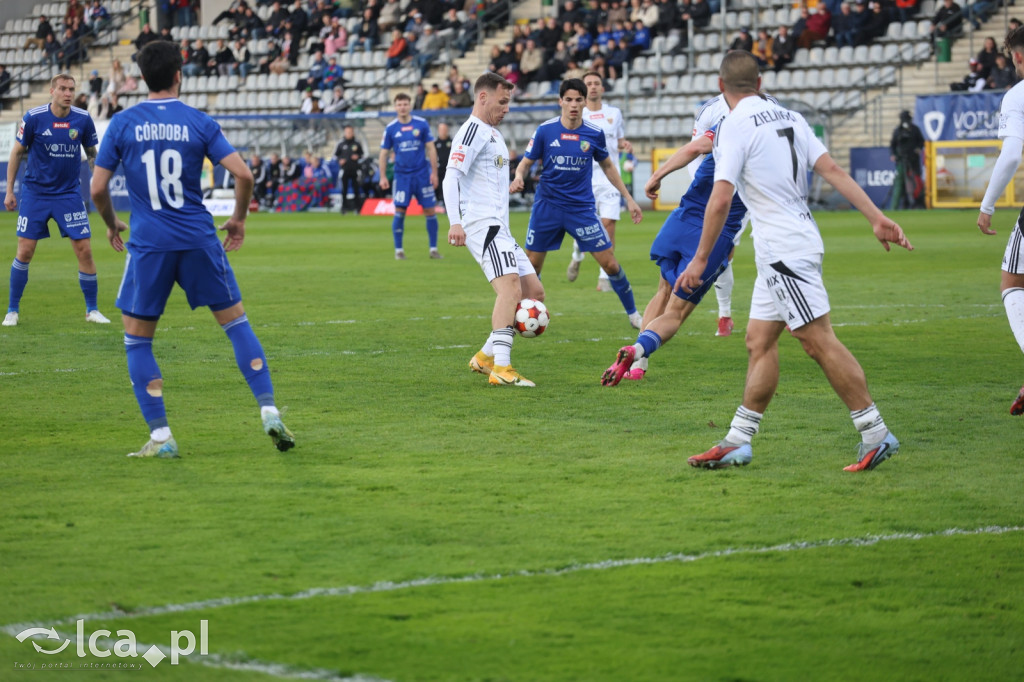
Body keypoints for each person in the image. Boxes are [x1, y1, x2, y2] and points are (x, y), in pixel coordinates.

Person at [675, 51, 913, 471]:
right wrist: (875, 217)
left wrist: (699, 260)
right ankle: (738, 439)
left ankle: (875, 432)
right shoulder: (789, 117)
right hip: (791, 243)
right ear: (760, 83)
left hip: (783, 250)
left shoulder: (732, 125)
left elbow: (721, 196)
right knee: (758, 341)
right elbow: (833, 169)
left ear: (720, 86)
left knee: (817, 339)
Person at [89, 40, 295, 458]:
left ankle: (162, 437)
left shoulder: (123, 123)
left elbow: (96, 188)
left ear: (142, 78)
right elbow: (244, 174)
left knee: (138, 341)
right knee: (237, 325)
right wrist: (237, 220)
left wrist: (112, 224)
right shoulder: (199, 121)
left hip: (149, 244)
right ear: (179, 75)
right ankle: (269, 409)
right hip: (199, 238)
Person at [601, 96, 750, 386]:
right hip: (713, 231)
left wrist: (656, 176)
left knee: (663, 288)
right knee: (677, 312)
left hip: (681, 220)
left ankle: (638, 365)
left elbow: (694, 148)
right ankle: (637, 350)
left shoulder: (722, 127)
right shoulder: (764, 139)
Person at [511, 78, 643, 329]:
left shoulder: (594, 133)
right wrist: (518, 176)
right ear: (560, 101)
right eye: (568, 99)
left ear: (585, 102)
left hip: (581, 209)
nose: (573, 104)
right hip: (547, 207)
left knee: (610, 263)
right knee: (532, 266)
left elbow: (608, 166)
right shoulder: (545, 130)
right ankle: (519, 315)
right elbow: (526, 162)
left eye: (578, 100)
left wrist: (628, 198)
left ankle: (634, 314)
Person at [445, 72, 545, 387]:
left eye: (509, 103)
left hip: (500, 227)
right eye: (502, 102)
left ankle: (486, 356)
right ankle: (502, 369)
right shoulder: (471, 131)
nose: (506, 109)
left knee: (533, 292)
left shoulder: (493, 133)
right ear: (483, 97)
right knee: (510, 290)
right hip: (482, 225)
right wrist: (455, 222)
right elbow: (451, 177)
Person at [4, 74, 108, 328]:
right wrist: (9, 191)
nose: (67, 93)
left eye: (71, 89)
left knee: (84, 250)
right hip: (35, 194)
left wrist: (98, 181)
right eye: (62, 88)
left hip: (69, 195)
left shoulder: (82, 120)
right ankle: (12, 311)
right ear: (52, 91)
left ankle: (92, 310)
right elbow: (17, 153)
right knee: (25, 251)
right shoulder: (33, 118)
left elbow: (93, 154)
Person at [976, 26, 1024, 417]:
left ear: (1018, 57)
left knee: (1012, 282)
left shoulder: (1017, 95)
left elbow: (1010, 156)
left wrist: (988, 204)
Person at [567, 72, 634, 297]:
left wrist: (626, 145)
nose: (593, 87)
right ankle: (577, 253)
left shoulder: (614, 113)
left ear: (602, 88)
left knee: (608, 225)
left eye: (597, 83)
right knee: (584, 227)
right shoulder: (578, 114)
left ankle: (604, 276)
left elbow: (619, 139)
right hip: (583, 179)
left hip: (609, 179)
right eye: (589, 84)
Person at [378, 92, 442, 259]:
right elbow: (383, 153)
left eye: (405, 104)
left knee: (429, 209)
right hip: (402, 177)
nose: (402, 107)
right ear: (395, 107)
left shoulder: (421, 124)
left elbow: (431, 149)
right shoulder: (391, 128)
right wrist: (383, 176)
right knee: (400, 210)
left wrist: (434, 173)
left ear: (410, 105)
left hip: (422, 174)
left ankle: (433, 249)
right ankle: (399, 250)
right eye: (399, 105)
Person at [889, 110, 925, 210]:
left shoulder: (915, 130)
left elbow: (921, 142)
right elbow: (892, 145)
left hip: (913, 161)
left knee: (915, 183)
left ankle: (917, 205)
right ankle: (894, 207)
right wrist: (893, 154)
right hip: (901, 161)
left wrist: (918, 148)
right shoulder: (898, 131)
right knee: (899, 184)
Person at [334, 124, 364, 213]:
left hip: (355, 170)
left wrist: (357, 156)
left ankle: (358, 208)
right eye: (347, 132)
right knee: (344, 189)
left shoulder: (357, 143)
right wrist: (340, 160)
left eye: (350, 132)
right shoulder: (341, 144)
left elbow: (362, 155)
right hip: (344, 170)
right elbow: (335, 156)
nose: (349, 134)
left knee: (356, 189)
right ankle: (344, 208)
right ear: (345, 133)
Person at [434, 122, 452, 206]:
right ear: (438, 130)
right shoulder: (435, 143)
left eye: (444, 129)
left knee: (450, 188)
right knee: (439, 186)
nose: (443, 131)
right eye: (441, 129)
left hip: (449, 170)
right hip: (438, 170)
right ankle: (439, 202)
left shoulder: (453, 142)